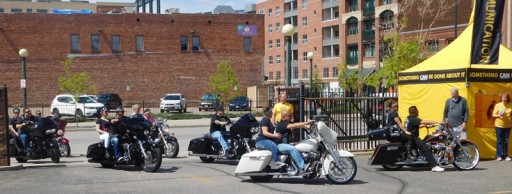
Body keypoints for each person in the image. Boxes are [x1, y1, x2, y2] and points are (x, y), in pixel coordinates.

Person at [404, 106, 444, 172]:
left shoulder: (408, 118)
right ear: (415, 111)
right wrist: (438, 122)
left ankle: (426, 161)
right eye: (417, 110)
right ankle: (434, 166)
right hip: (413, 137)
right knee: (426, 149)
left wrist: (427, 126)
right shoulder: (414, 119)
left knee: (426, 142)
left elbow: (417, 125)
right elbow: (426, 121)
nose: (418, 112)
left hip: (410, 137)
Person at [275, 110, 314, 175]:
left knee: (299, 145)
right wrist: (306, 122)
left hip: (285, 144)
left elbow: (296, 125)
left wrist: (307, 126)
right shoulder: (281, 124)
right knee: (292, 149)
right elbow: (294, 125)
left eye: (291, 115)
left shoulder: (287, 123)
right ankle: (303, 166)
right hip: (279, 145)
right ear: (283, 117)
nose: (291, 117)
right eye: (289, 116)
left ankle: (304, 163)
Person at [492, 92, 512, 161]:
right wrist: (499, 116)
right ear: (501, 98)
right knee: (499, 141)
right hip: (499, 125)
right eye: (503, 97)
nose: (504, 99)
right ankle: (499, 156)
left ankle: (506, 156)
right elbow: (493, 115)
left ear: (507, 98)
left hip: (508, 126)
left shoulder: (510, 105)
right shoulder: (498, 105)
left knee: (506, 141)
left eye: (505, 97)